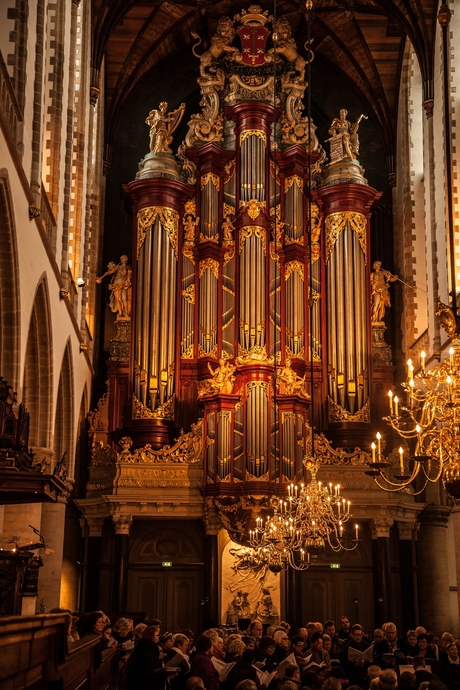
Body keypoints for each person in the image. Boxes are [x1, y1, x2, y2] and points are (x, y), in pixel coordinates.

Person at [127, 626, 172, 690]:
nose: (158, 638)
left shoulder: (147, 647)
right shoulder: (148, 651)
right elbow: (150, 672)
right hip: (148, 685)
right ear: (151, 636)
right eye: (157, 635)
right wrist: (165, 674)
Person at [96, 255, 132, 320]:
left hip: (124, 285)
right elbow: (111, 271)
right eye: (121, 258)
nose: (122, 259)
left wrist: (128, 279)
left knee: (124, 298)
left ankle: (126, 312)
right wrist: (109, 272)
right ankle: (120, 313)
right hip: (116, 284)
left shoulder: (128, 268)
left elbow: (129, 275)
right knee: (118, 299)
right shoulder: (118, 267)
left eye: (123, 258)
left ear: (126, 260)